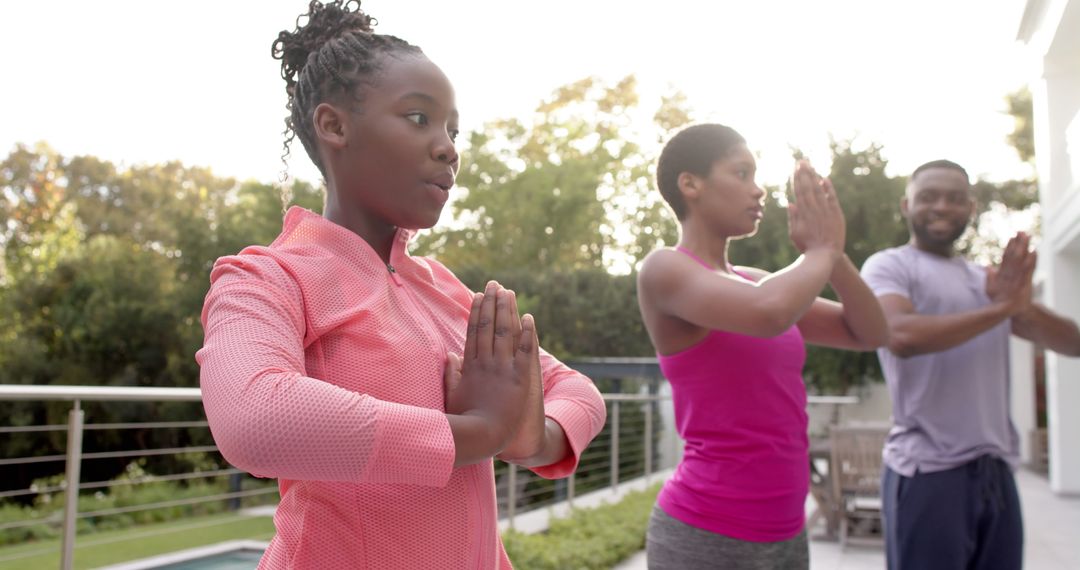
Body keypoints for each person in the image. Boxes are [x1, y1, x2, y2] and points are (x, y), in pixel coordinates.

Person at [195, 2, 607, 567]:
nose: (449, 148)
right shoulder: (266, 278)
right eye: (419, 118)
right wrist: (478, 431)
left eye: (452, 129)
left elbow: (578, 392)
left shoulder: (447, 292)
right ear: (334, 125)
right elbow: (255, 418)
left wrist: (530, 437)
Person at [635, 123, 888, 569]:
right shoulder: (664, 269)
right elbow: (767, 313)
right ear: (690, 183)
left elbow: (869, 332)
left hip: (788, 532)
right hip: (705, 533)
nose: (759, 190)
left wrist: (836, 254)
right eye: (742, 173)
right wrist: (820, 253)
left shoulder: (756, 282)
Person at [860, 159, 1080, 570]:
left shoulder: (989, 281)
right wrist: (1002, 310)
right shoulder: (890, 266)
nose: (942, 207)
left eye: (955, 199)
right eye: (928, 197)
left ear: (972, 208)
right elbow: (900, 335)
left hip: (996, 472)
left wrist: (1021, 306)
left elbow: (1072, 343)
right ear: (906, 205)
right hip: (927, 471)